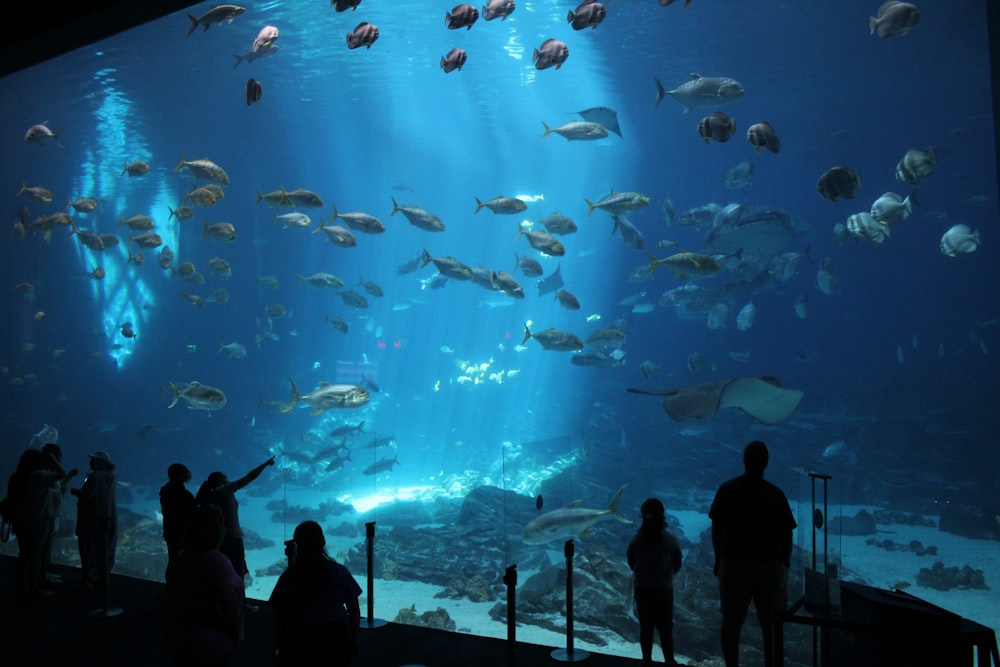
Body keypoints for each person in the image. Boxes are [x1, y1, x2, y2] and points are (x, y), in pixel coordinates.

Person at [709, 440, 796, 667]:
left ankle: (732, 666)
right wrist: (784, 563)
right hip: (769, 567)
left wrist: (719, 558)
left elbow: (716, 528)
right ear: (766, 463)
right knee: (771, 624)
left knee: (731, 622)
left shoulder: (727, 490)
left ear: (744, 460)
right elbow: (787, 533)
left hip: (734, 564)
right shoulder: (775, 494)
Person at [269, 520, 362, 667]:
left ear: (297, 545)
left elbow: (279, 615)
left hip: (300, 639)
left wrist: (283, 647)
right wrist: (354, 637)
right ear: (323, 541)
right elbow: (354, 608)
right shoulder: (339, 571)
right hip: (336, 637)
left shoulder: (289, 576)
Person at [166, 504, 245, 666]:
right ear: (215, 531)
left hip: (183, 640)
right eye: (221, 524)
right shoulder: (217, 561)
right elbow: (228, 603)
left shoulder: (181, 556)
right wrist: (236, 633)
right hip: (214, 646)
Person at [195, 456, 275, 588]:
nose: (228, 480)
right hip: (231, 538)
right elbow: (249, 477)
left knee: (226, 570)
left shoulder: (211, 493)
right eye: (225, 477)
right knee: (237, 570)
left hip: (222, 538)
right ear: (220, 481)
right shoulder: (224, 490)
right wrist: (264, 465)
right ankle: (239, 604)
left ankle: (231, 601)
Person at [627, 497, 684, 667]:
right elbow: (678, 562)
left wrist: (642, 575)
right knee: (666, 627)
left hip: (642, 588)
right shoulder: (670, 540)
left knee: (646, 627)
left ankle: (646, 661)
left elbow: (631, 561)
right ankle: (669, 661)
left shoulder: (636, 540)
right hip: (663, 589)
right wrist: (667, 574)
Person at [6, 447, 66, 602]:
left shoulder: (16, 476)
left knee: (24, 555)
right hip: (37, 522)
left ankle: (21, 586)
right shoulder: (38, 477)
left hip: (20, 521)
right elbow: (61, 475)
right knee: (36, 556)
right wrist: (53, 460)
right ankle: (33, 588)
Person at [70, 450, 118, 591]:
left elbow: (88, 495)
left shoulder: (94, 477)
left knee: (88, 551)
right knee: (106, 551)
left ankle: (88, 580)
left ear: (99, 462)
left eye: (93, 460)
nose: (90, 462)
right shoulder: (111, 477)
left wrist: (76, 492)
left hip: (91, 520)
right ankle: (104, 578)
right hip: (108, 520)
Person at [40, 443, 78, 582]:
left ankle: (44, 571)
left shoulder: (50, 476)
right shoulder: (41, 474)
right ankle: (37, 579)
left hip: (52, 516)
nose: (61, 457)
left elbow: (60, 487)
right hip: (42, 517)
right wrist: (52, 459)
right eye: (58, 455)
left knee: (47, 546)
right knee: (39, 548)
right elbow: (59, 477)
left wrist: (70, 477)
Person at [160, 462, 197, 570]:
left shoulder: (165, 491)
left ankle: (172, 584)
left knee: (173, 560)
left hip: (169, 531)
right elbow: (193, 514)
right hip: (183, 534)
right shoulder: (185, 495)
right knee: (184, 563)